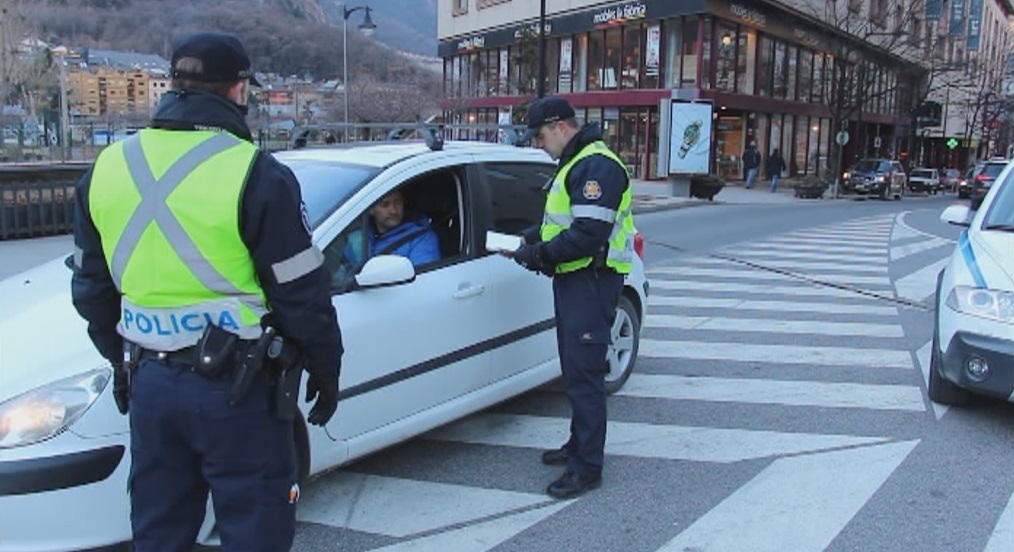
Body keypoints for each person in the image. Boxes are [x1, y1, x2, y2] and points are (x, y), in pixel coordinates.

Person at [70, 32, 343, 552]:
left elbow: (90, 288)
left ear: (173, 85)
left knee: (160, 530)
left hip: (150, 381)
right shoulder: (257, 172)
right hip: (239, 392)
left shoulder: (106, 168)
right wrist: (326, 369)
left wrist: (122, 361)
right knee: (255, 529)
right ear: (239, 90)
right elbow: (302, 295)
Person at [506, 96, 634, 500]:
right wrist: (532, 240)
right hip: (576, 279)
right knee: (575, 369)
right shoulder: (576, 162)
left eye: (541, 135)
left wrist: (538, 255)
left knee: (585, 375)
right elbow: (562, 222)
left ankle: (587, 467)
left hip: (591, 280)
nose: (539, 143)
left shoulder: (596, 165)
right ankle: (579, 445)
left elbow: (587, 236)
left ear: (561, 126)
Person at [344, 188, 441, 268]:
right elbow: (343, 272)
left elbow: (423, 281)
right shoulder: (359, 235)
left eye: (398, 203)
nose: (393, 210)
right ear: (371, 210)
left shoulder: (422, 238)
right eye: (385, 205)